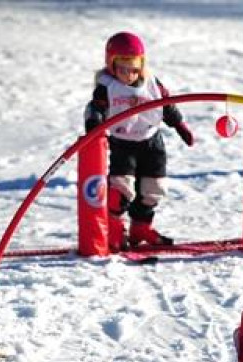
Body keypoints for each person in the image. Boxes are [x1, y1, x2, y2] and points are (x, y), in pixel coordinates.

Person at [84, 31, 194, 250]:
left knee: (154, 187)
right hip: (123, 142)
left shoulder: (152, 83)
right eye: (123, 69)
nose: (129, 75)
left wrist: (180, 125)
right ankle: (115, 228)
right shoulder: (107, 87)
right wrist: (94, 124)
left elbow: (167, 104)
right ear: (111, 65)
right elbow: (95, 108)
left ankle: (141, 228)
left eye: (134, 69)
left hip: (151, 141)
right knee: (120, 189)